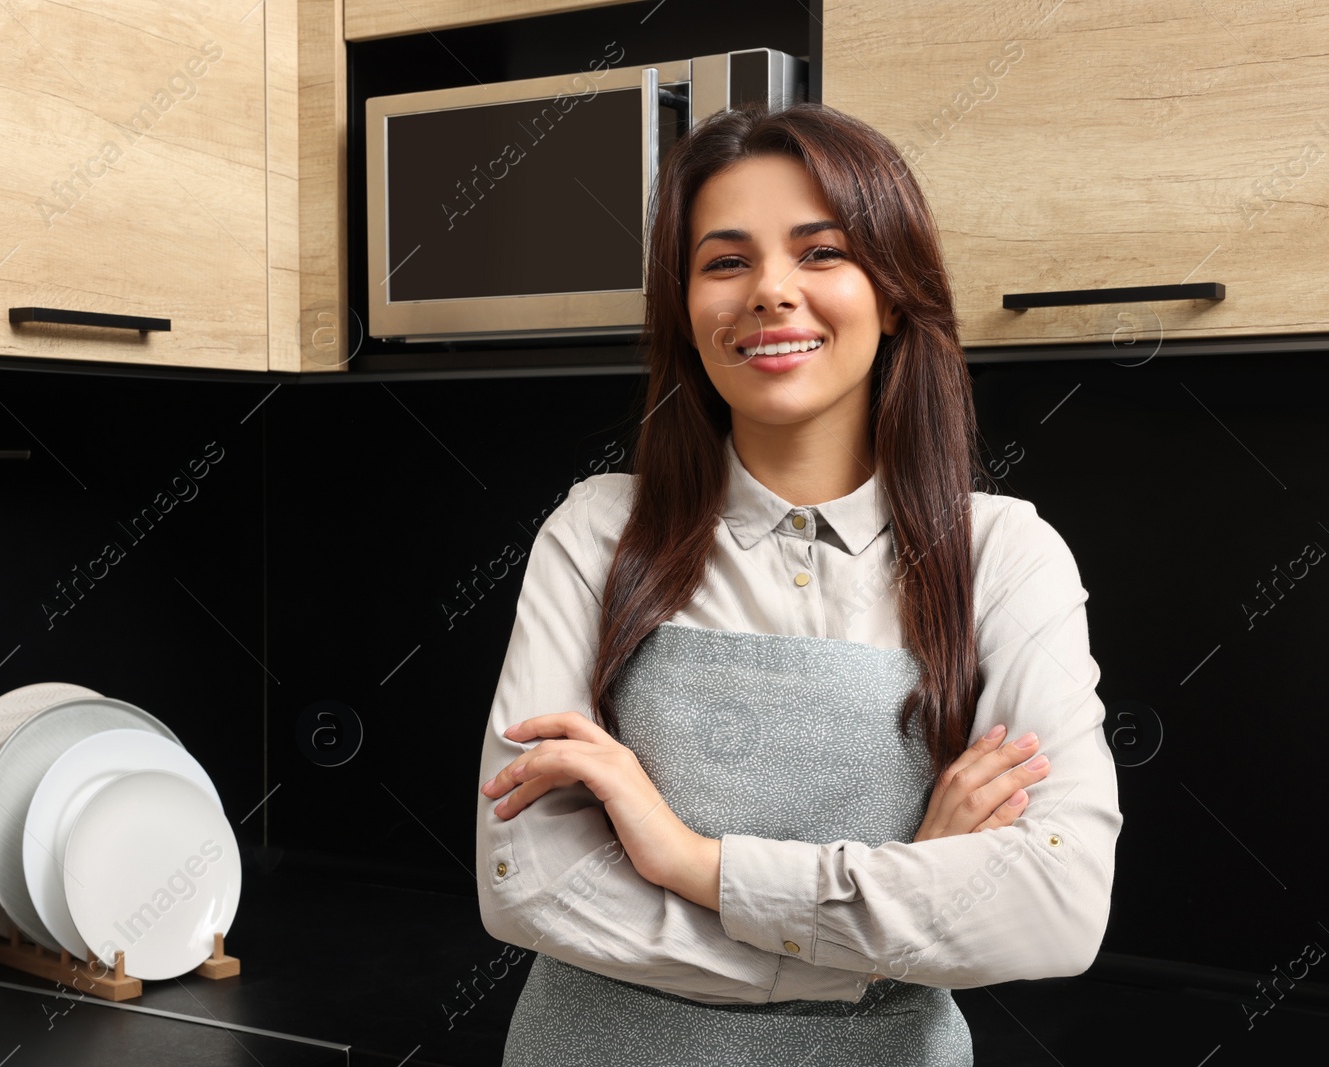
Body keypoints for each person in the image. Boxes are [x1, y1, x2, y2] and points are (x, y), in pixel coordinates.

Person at [474, 100, 1123, 1066]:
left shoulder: (1006, 557)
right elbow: (526, 883)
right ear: (687, 311)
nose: (772, 292)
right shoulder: (598, 530)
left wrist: (694, 863)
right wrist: (888, 925)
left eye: (822, 252)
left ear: (894, 292)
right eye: (726, 261)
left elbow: (1054, 908)